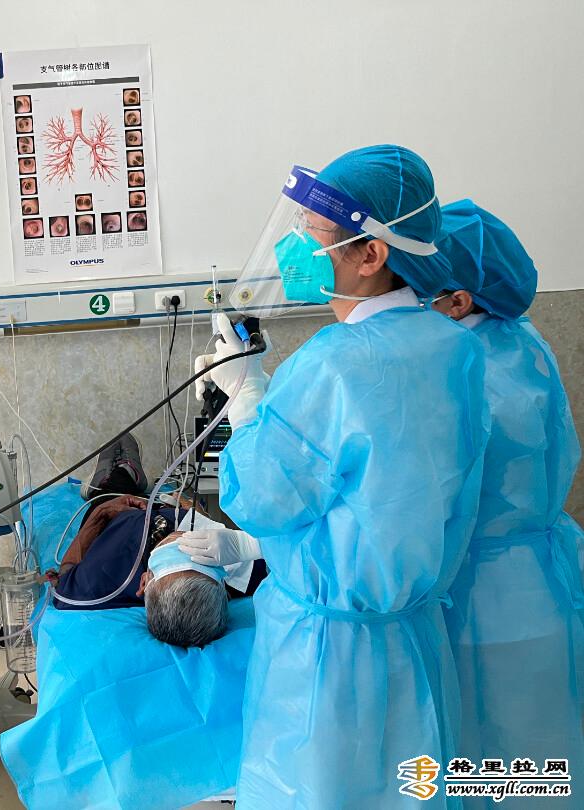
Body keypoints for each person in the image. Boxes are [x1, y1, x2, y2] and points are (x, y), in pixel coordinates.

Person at [180, 145, 490, 808]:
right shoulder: (455, 349)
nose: (296, 247)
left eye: (313, 233)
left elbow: (259, 495)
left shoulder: (336, 365)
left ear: (371, 254)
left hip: (329, 658)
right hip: (414, 640)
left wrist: (245, 396)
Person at [431, 200, 584, 797]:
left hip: (479, 597)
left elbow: (414, 506)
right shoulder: (520, 340)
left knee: (482, 763)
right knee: (539, 754)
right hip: (544, 582)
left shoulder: (460, 375)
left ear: (458, 300)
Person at [51, 491, 266, 648]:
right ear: (225, 590)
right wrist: (198, 514)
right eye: (202, 557)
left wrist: (102, 512)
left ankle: (123, 468)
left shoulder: (94, 584)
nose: (184, 537)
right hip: (170, 503)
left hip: (117, 509)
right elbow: (281, 549)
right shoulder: (247, 569)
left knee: (115, 476)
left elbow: (66, 573)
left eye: (172, 551)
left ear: (144, 582)